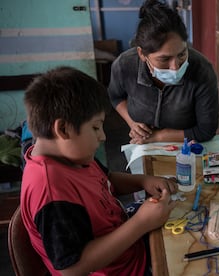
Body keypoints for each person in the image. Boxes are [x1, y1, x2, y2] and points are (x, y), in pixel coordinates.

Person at [20, 66, 177, 275]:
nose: (103, 136)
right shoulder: (51, 191)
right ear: (63, 129)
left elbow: (107, 179)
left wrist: (143, 181)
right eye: (95, 127)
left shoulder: (72, 155)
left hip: (128, 247)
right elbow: (72, 268)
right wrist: (141, 223)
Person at [108, 0, 219, 145]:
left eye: (181, 54)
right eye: (164, 59)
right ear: (142, 54)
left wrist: (158, 137)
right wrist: (133, 123)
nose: (175, 67)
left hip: (186, 146)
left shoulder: (202, 70)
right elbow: (116, 97)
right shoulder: (124, 65)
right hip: (140, 142)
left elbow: (206, 130)